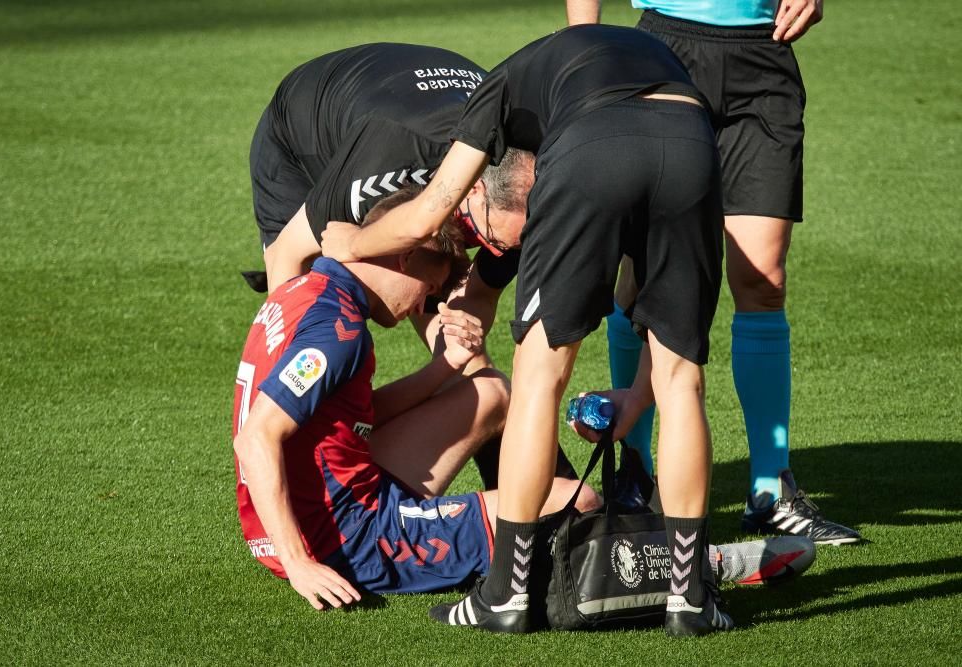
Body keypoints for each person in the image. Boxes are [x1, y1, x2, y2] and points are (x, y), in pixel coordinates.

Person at [321, 25, 732, 636]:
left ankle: (506, 595)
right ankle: (689, 598)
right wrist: (634, 395)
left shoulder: (501, 82)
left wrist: (351, 239)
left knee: (540, 376)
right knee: (681, 381)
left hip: (591, 144)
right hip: (693, 145)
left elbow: (435, 206)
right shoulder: (644, 61)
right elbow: (638, 280)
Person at [565, 0, 863, 545]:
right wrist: (586, 52)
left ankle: (772, 492)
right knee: (641, 273)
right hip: (662, 55)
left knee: (763, 278)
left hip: (764, 54)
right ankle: (635, 473)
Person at [231, 189, 601, 609]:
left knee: (491, 392)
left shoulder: (304, 291)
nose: (422, 305)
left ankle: (513, 503)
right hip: (348, 538)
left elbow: (351, 416)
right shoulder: (338, 332)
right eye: (429, 288)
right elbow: (255, 438)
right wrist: (299, 563)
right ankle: (518, 525)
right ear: (405, 260)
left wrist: (444, 367)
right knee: (579, 501)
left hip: (304, 514)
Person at [248, 43, 581, 488]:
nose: (490, 251)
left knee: (462, 347)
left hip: (429, 138)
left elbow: (474, 301)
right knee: (323, 305)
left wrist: (463, 360)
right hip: (306, 137)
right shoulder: (387, 161)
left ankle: (522, 483)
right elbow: (291, 256)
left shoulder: (529, 197)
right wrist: (282, 412)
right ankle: (296, 461)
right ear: (473, 193)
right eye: (486, 240)